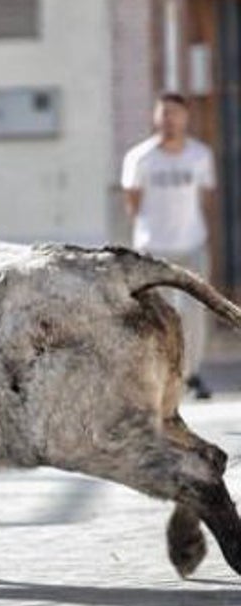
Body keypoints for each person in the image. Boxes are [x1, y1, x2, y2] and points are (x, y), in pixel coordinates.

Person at [122, 91, 217, 400]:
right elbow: (132, 203)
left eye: (175, 113)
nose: (169, 120)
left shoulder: (200, 156)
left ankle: (191, 374)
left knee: (194, 313)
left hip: (192, 245)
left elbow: (206, 199)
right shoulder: (140, 157)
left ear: (186, 117)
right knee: (156, 314)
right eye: (164, 113)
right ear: (155, 117)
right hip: (153, 248)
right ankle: (158, 376)